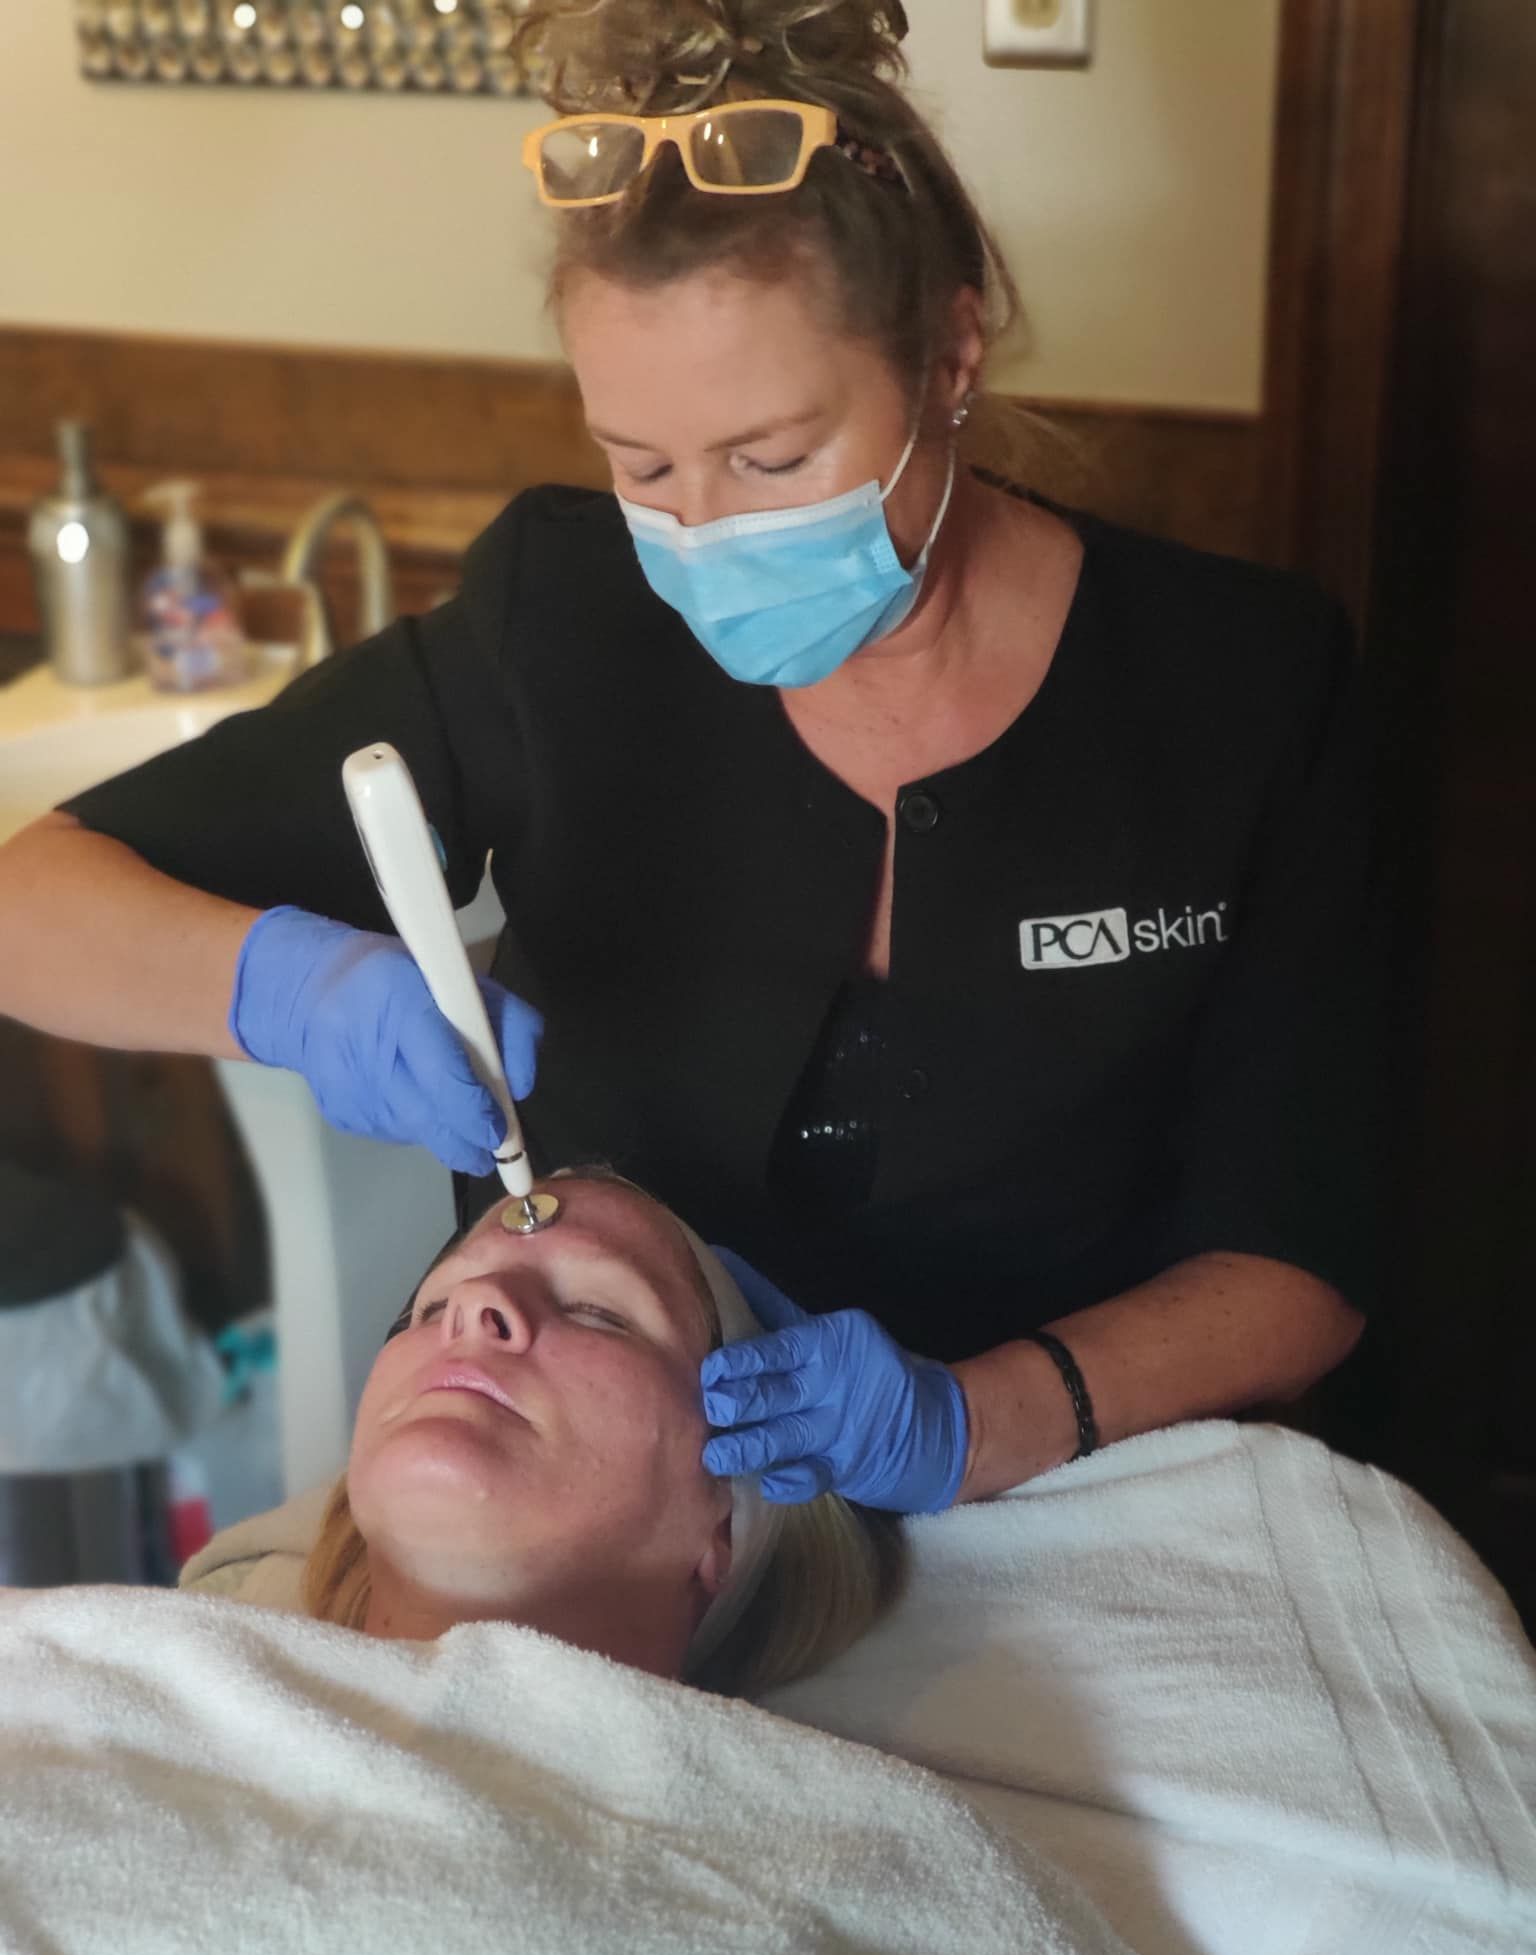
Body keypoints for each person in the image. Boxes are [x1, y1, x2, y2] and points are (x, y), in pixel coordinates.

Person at [0, 0, 1380, 1521]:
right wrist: (288, 993)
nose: (705, 531)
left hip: (1051, 1490)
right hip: (614, 1500)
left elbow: (1305, 1258)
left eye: (773, 459)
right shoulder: (567, 616)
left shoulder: (1240, 684)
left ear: (952, 351)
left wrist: (974, 1419)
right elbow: (32, 905)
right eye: (642, 465)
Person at [184, 1168, 907, 1700]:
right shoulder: (165, 1686)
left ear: (723, 1532)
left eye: (600, 1311)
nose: (473, 1303)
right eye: (430, 1309)